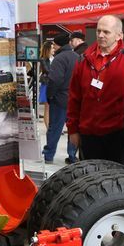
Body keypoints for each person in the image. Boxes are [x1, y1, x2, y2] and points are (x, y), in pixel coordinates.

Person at [66, 15, 124, 166]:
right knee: (90, 176)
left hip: (118, 135)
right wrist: (73, 130)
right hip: (88, 134)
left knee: (118, 177)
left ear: (119, 35)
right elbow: (74, 97)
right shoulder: (83, 59)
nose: (101, 35)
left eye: (106, 32)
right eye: (98, 31)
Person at [44, 33, 78, 165]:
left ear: (59, 45)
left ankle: (49, 155)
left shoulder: (59, 59)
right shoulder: (77, 57)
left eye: (54, 44)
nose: (53, 47)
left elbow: (55, 80)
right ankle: (72, 156)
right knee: (73, 129)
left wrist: (50, 95)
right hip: (74, 100)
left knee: (55, 128)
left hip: (59, 100)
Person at [38, 40, 53, 129]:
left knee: (51, 108)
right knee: (47, 107)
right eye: (52, 48)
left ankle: (51, 126)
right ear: (48, 49)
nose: (53, 49)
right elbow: (47, 70)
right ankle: (48, 127)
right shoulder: (43, 59)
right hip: (46, 84)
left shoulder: (53, 58)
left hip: (53, 84)